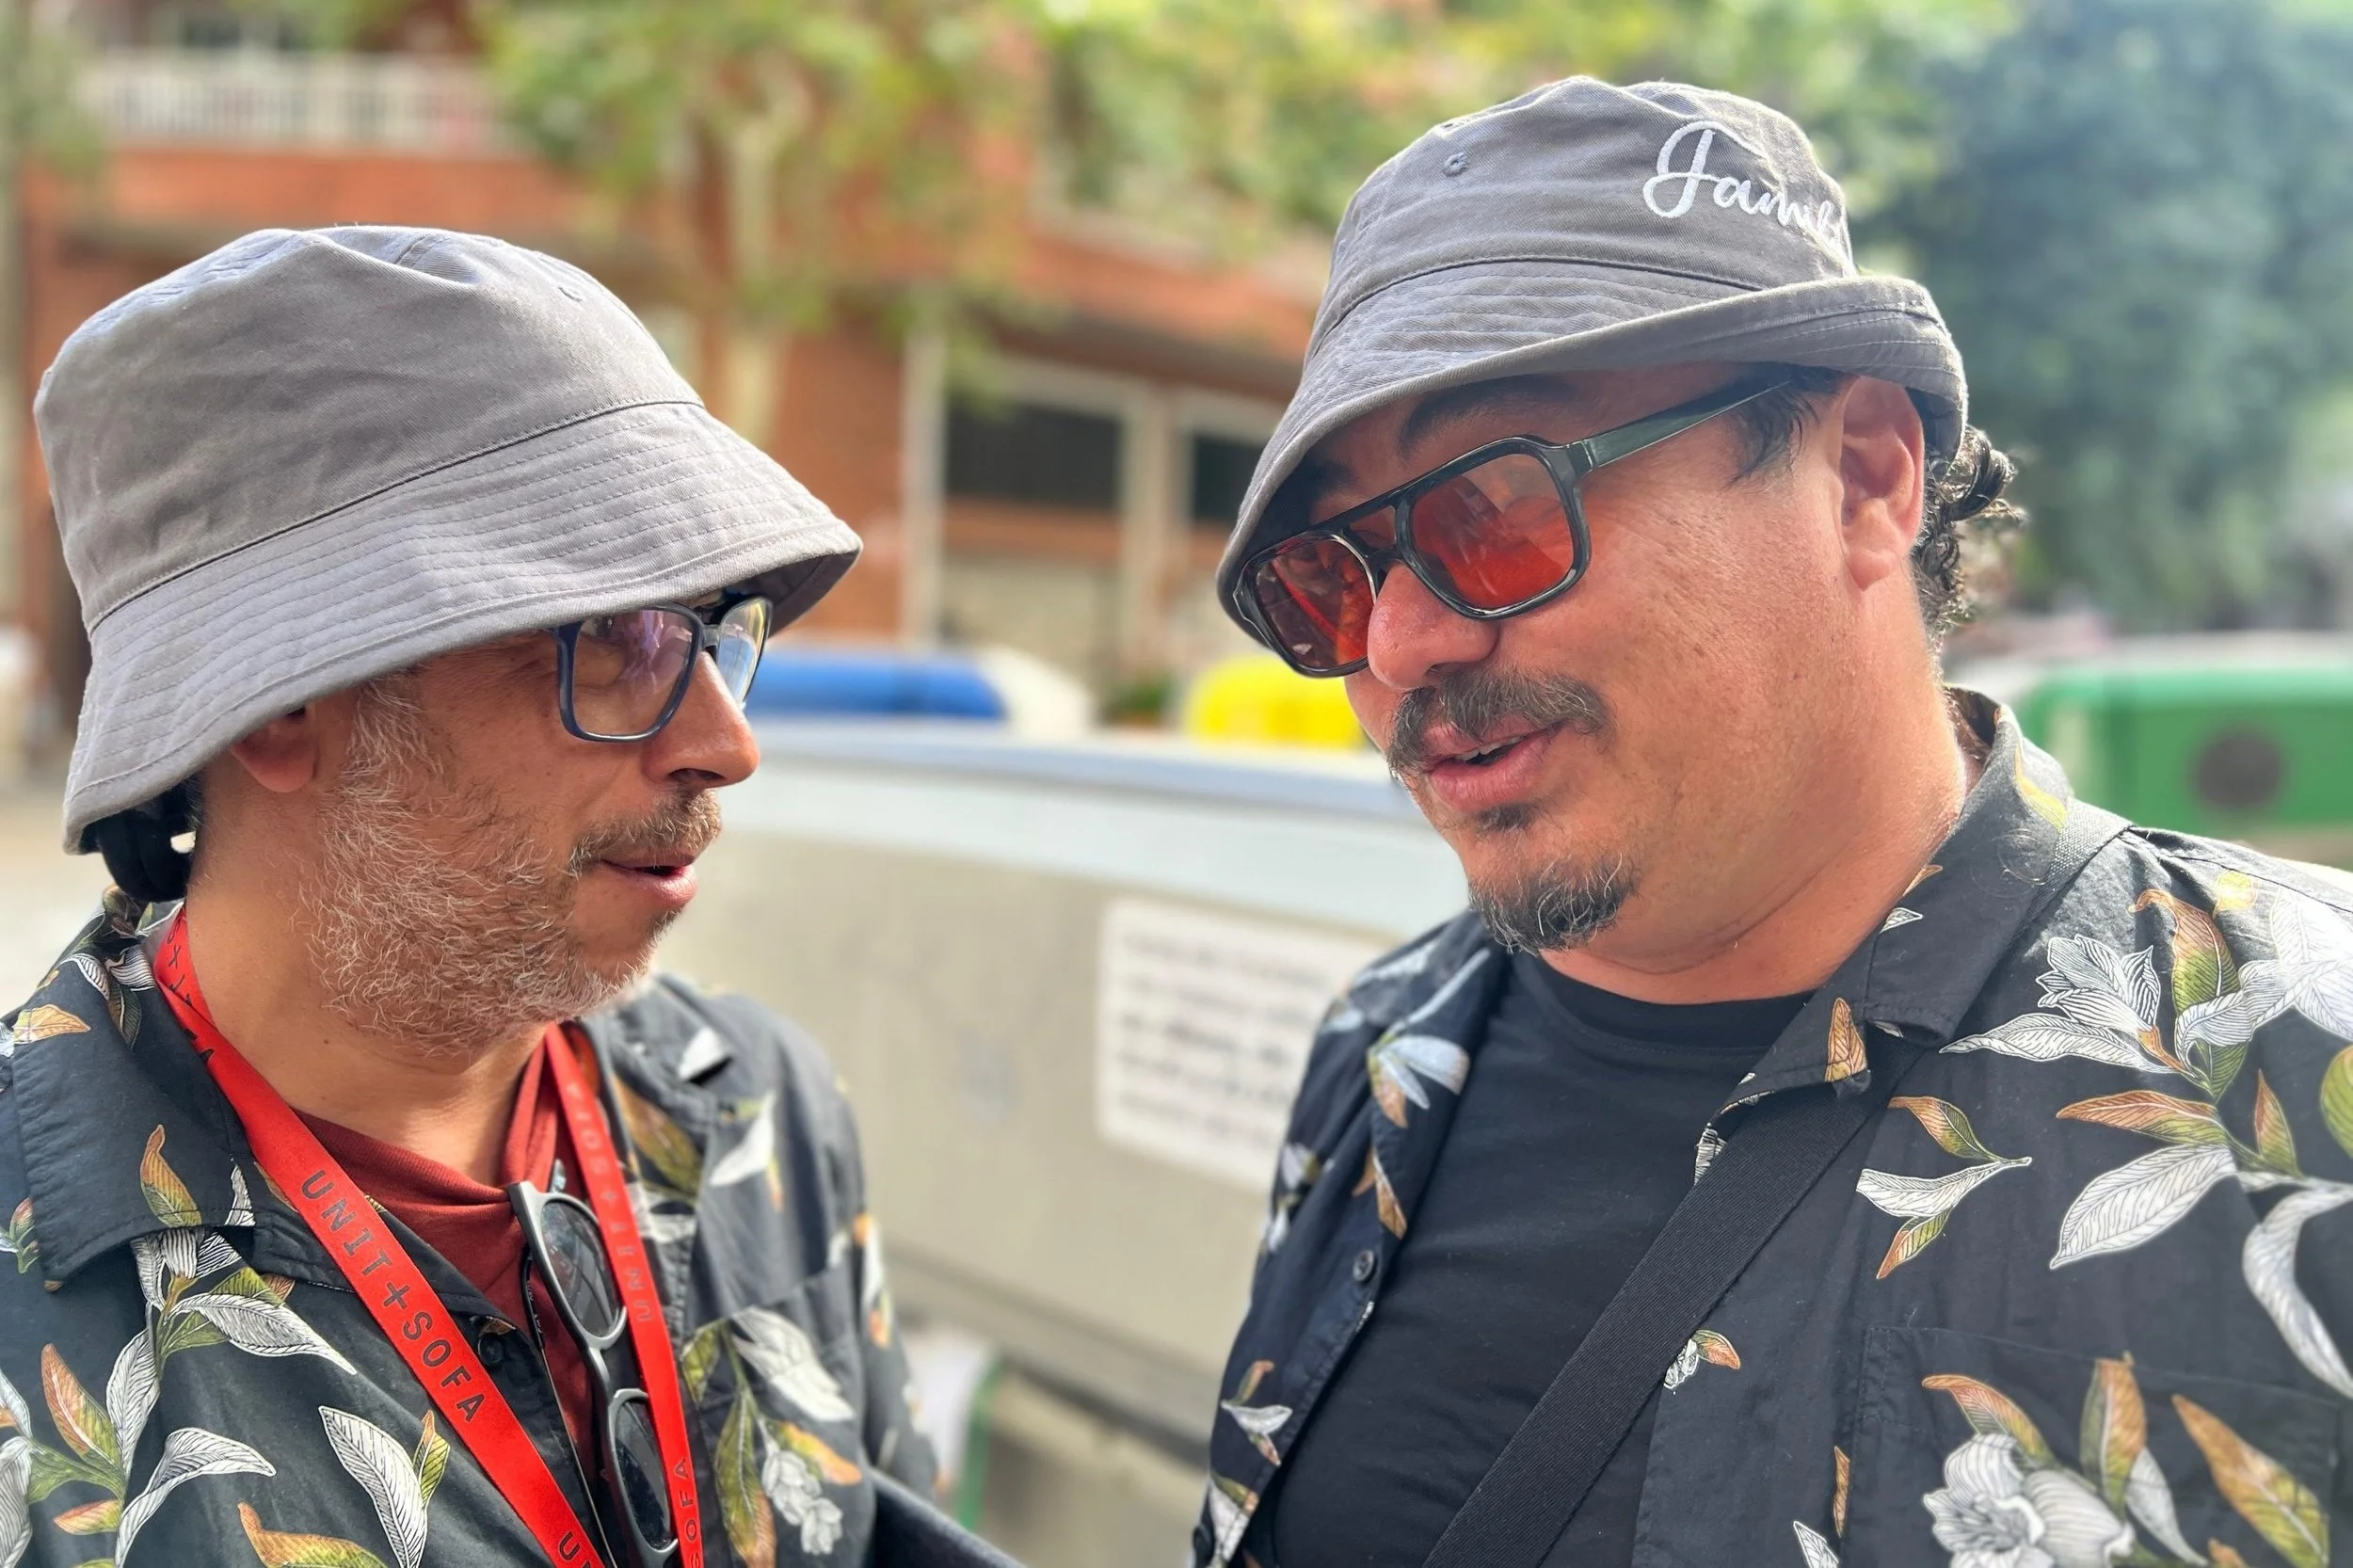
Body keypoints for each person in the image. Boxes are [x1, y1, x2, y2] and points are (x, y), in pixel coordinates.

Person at [1192, 79, 2353, 1568]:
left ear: (1866, 476)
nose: (1402, 644)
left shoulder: (2297, 1081)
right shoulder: (1386, 1052)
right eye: (1329, 581)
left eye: (1488, 507)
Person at [2, 228, 1012, 1567]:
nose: (726, 739)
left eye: (715, 634)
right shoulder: (36, 1281)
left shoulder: (755, 1111)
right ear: (281, 703)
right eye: (621, 639)